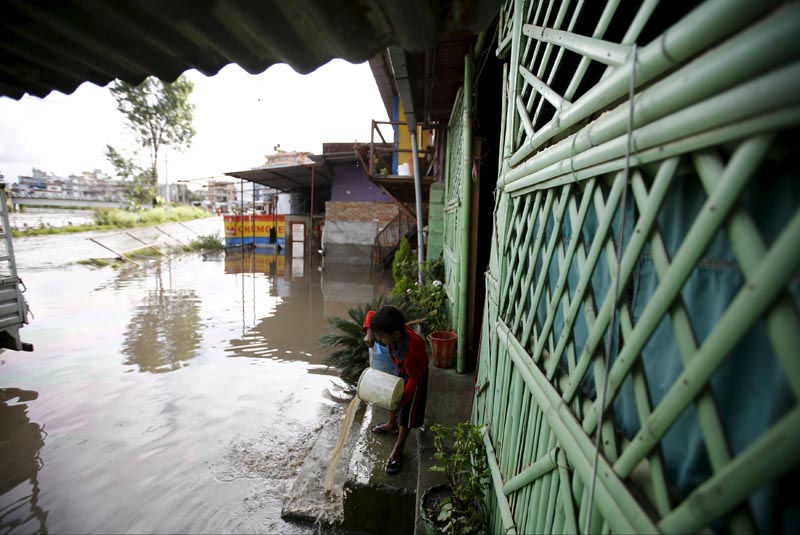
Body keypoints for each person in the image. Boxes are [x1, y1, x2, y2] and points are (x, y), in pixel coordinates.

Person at [363, 305, 429, 475]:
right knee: (391, 394)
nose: (379, 339)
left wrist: (404, 399)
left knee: (406, 412)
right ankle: (391, 425)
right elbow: (371, 315)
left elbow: (413, 379)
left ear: (396, 334)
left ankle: (399, 447)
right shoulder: (392, 329)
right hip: (401, 367)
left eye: (381, 336)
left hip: (416, 374)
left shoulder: (414, 349)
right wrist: (369, 332)